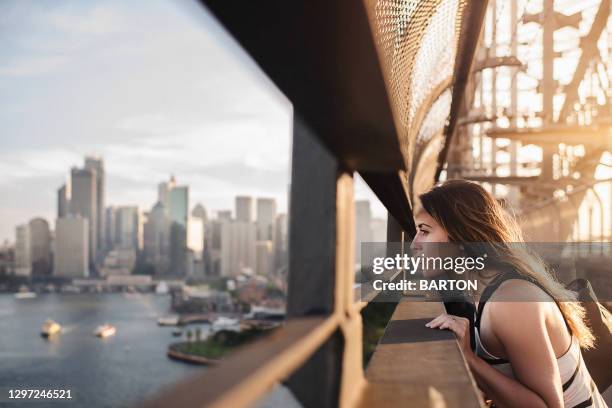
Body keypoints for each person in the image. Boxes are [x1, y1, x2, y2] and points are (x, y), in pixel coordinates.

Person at [411, 180, 607, 408]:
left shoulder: (510, 301)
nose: (414, 243)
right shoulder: (484, 289)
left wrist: (469, 359)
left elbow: (548, 406)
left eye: (424, 231)